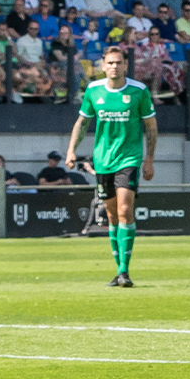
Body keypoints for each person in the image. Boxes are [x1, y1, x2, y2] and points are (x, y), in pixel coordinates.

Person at [64, 46, 157, 287]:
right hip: (103, 160)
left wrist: (149, 159)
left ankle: (125, 271)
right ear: (103, 66)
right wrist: (71, 149)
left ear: (126, 65)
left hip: (129, 158)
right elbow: (82, 122)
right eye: (110, 63)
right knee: (113, 215)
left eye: (119, 62)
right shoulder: (94, 91)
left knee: (126, 209)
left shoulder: (138, 91)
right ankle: (118, 270)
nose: (114, 66)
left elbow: (151, 127)